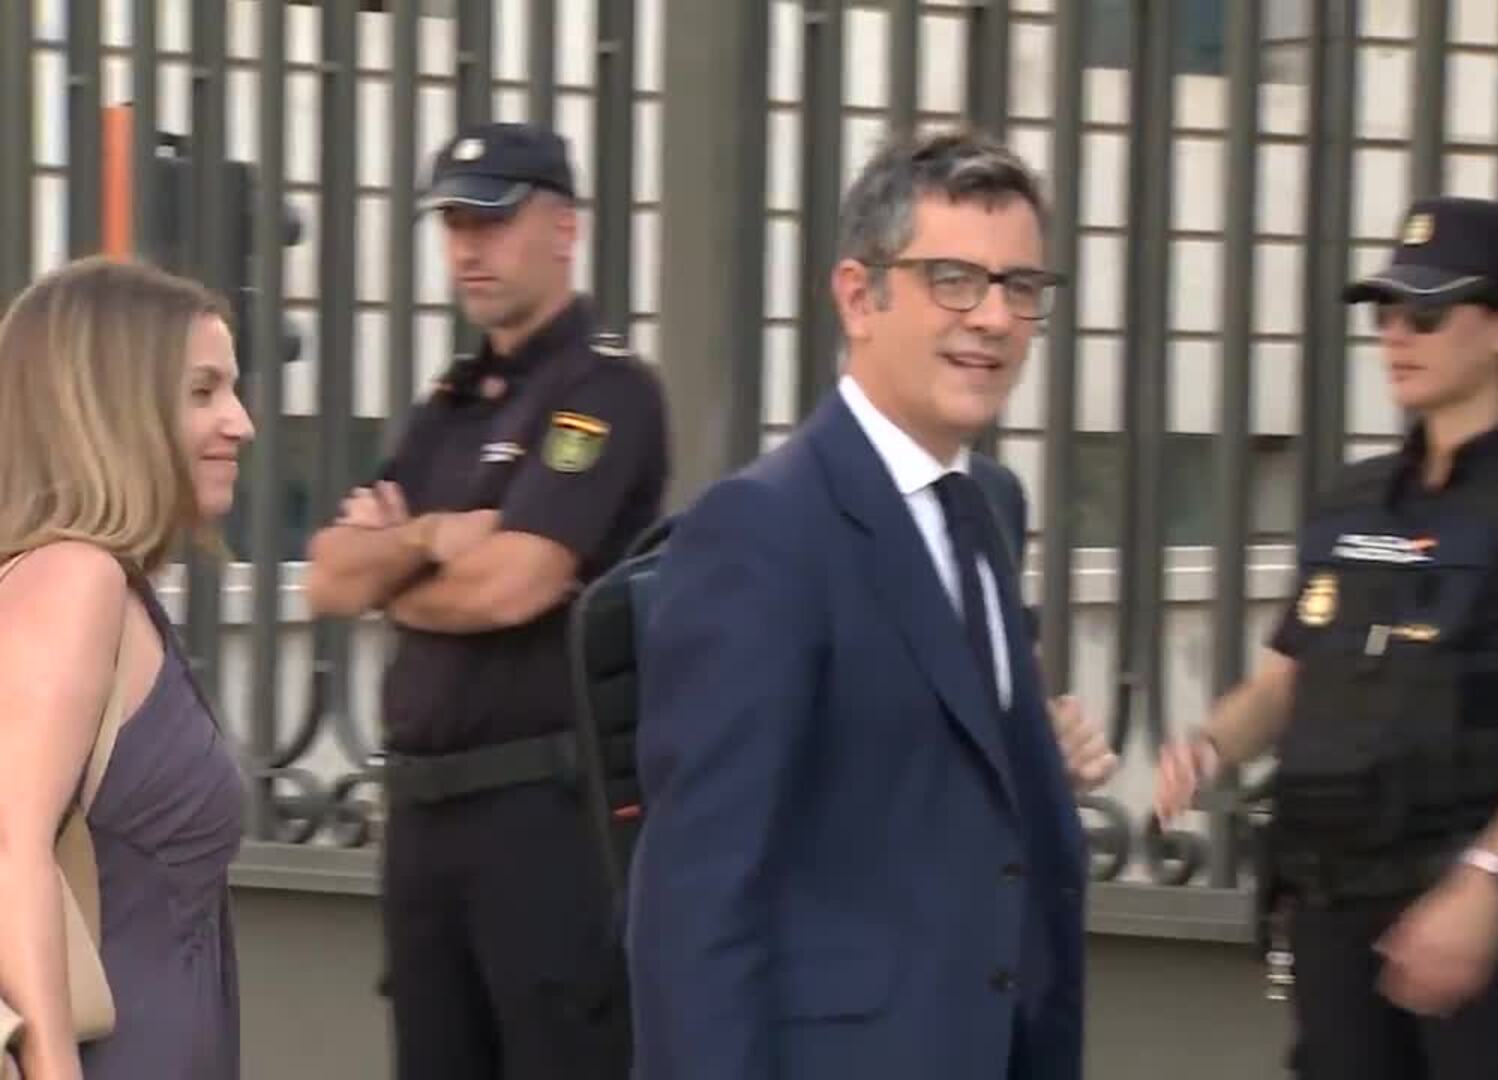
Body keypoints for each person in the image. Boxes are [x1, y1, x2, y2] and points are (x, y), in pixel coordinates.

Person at [627, 129, 1116, 1080]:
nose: (993, 318)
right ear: (858, 296)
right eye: (953, 280)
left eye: (1020, 286)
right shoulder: (759, 530)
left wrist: (1029, 755)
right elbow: (697, 895)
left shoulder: (991, 506)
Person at [1155, 196, 1498, 1079]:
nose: (1395, 337)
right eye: (1384, 313)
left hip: (1483, 926)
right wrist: (1210, 747)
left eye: (1426, 314)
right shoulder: (1357, 498)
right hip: (1336, 909)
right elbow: (1285, 679)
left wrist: (1488, 880)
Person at [302, 122, 667, 1080]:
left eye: (493, 221)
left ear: (565, 228)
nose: (468, 246)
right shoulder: (449, 405)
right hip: (424, 821)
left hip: (539, 817)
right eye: (455, 222)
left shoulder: (605, 393)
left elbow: (516, 584)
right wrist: (427, 541)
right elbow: (327, 576)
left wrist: (391, 580)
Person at [0, 256, 255, 1080]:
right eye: (203, 392)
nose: (241, 423)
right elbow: (8, 849)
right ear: (111, 408)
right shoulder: (74, 580)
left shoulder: (117, 589)